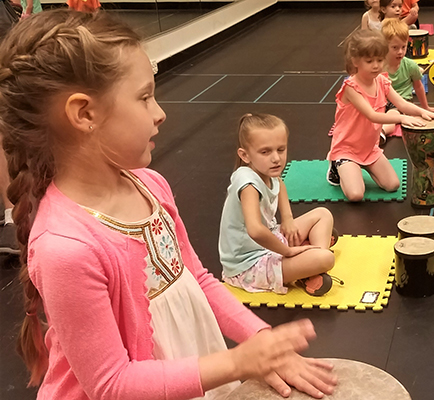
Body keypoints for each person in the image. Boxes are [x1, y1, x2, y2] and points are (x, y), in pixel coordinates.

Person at [0, 10, 336, 399]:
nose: (160, 113)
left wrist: (264, 340)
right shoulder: (66, 249)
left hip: (187, 369)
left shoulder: (151, 186)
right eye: (144, 97)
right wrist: (238, 363)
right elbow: (112, 385)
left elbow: (200, 279)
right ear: (84, 113)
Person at [219, 113, 338, 297]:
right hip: (248, 265)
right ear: (245, 155)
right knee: (326, 258)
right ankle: (309, 264)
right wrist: (288, 251)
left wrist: (288, 219)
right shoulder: (248, 184)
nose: (276, 158)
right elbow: (256, 230)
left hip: (270, 241)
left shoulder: (267, 171)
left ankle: (308, 263)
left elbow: (279, 183)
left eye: (281, 150)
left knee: (323, 214)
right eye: (265, 152)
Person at [326, 29, 434, 202]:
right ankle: (337, 166)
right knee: (356, 195)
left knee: (392, 185)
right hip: (347, 149)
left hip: (368, 147)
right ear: (355, 61)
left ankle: (357, 168)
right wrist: (402, 118)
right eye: (369, 61)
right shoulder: (351, 88)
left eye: (380, 60)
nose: (376, 65)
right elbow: (372, 115)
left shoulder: (382, 81)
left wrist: (423, 112)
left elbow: (402, 104)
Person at [379, 18, 434, 143]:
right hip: (381, 101)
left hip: (401, 102)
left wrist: (425, 107)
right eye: (394, 48)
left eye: (403, 47)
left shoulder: (410, 65)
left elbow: (419, 86)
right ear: (384, 46)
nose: (400, 52)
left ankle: (381, 132)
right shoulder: (378, 65)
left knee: (393, 116)